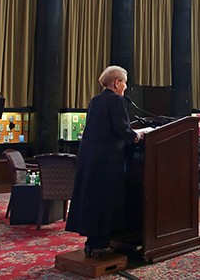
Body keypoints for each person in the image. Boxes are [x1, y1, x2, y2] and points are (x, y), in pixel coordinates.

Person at [66, 66, 151, 258]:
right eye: (124, 82)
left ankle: (92, 243)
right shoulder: (115, 100)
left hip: (91, 159)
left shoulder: (95, 101)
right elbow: (122, 130)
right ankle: (100, 245)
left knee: (94, 200)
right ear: (116, 83)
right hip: (107, 162)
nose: (126, 87)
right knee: (105, 201)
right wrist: (139, 136)